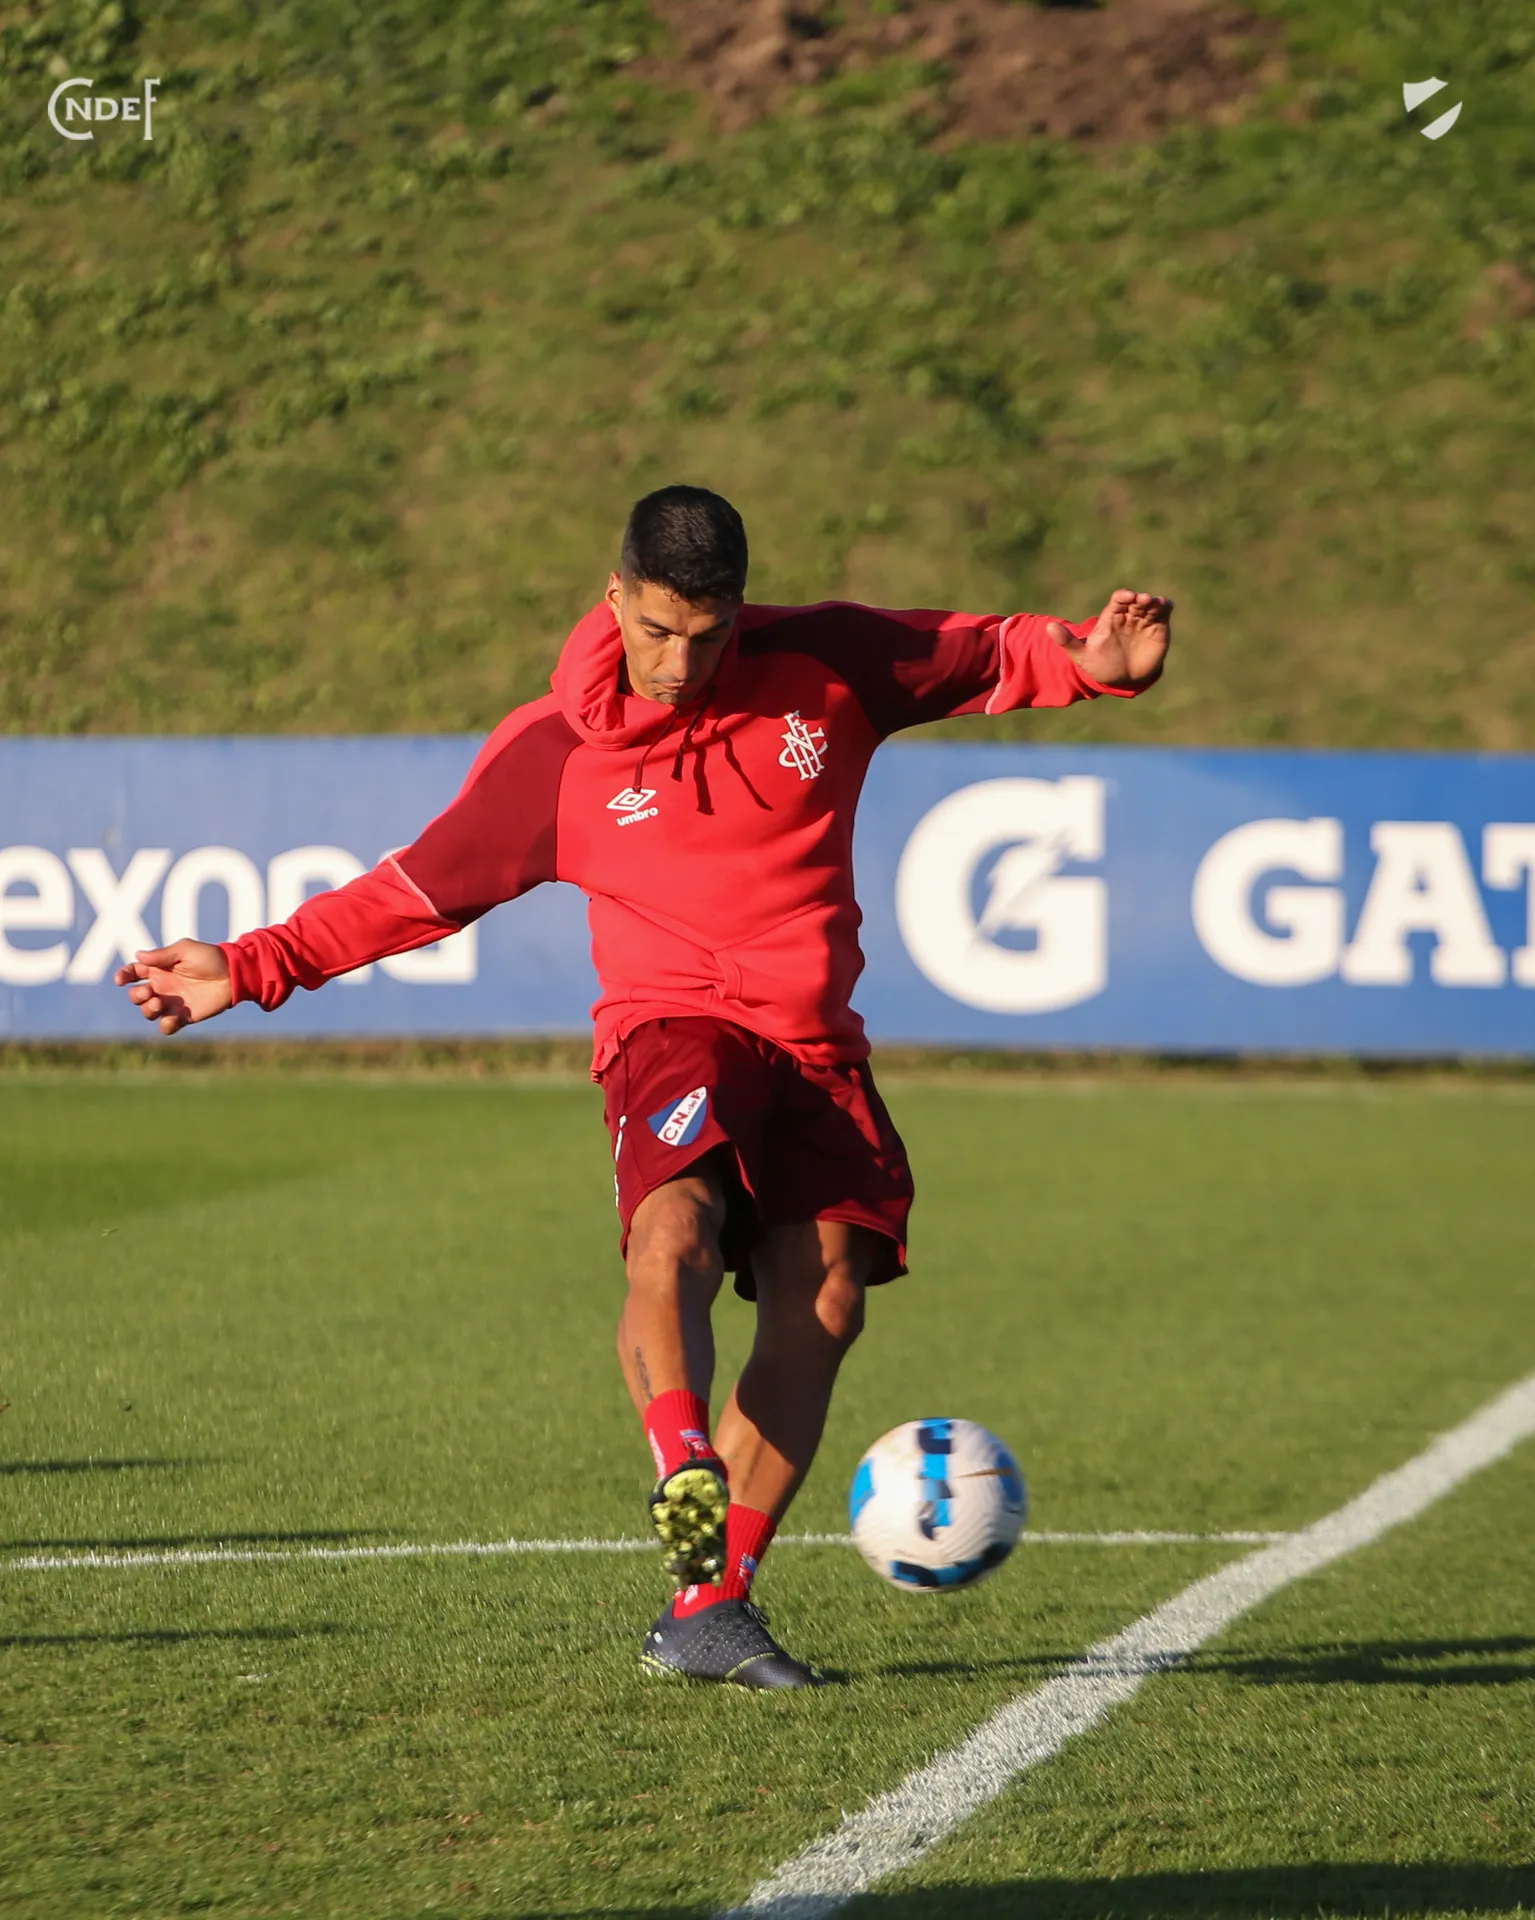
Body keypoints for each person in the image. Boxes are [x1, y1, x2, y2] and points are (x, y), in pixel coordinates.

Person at [116, 485, 1172, 1688]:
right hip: (671, 1028)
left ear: (740, 612)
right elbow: (419, 888)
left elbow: (979, 652)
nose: (679, 662)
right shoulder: (554, 753)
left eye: (706, 635)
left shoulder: (823, 663)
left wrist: (1091, 665)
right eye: (658, 629)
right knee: (675, 1229)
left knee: (828, 1298)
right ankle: (685, 1466)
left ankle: (707, 1604)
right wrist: (252, 965)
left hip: (813, 1045)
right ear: (614, 596)